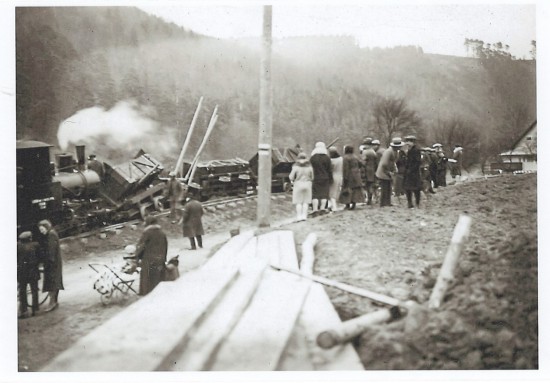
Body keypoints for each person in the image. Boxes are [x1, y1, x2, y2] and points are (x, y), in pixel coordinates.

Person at [135, 215, 168, 295]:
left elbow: (141, 246)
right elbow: (166, 246)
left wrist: (137, 256)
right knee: (157, 276)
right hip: (160, 258)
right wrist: (164, 257)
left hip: (148, 259)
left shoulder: (147, 233)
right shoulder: (162, 233)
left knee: (147, 277)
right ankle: (159, 293)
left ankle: (146, 293)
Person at [37, 219, 63, 312]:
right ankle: (54, 302)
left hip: (52, 264)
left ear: (46, 227)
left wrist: (47, 263)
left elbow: (51, 251)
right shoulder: (50, 233)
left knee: (52, 283)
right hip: (54, 263)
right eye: (40, 229)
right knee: (55, 282)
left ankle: (52, 304)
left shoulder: (51, 235)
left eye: (42, 229)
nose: (41, 231)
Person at [17, 231, 41, 318]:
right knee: (34, 290)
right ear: (30, 238)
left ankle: (24, 311)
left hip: (21, 272)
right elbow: (40, 257)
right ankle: (35, 309)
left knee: (22, 291)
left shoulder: (17, 246)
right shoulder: (35, 245)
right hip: (33, 271)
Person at [375, 137, 403, 207]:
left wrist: (394, 169)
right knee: (384, 188)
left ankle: (388, 202)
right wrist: (388, 172)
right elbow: (384, 163)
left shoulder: (395, 152)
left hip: (388, 171)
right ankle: (383, 203)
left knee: (388, 187)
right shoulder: (388, 152)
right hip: (383, 172)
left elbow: (393, 162)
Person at [309, 142, 333, 216]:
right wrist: (331, 179)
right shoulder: (327, 158)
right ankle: (322, 208)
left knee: (315, 194)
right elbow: (329, 169)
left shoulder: (312, 158)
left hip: (315, 178)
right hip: (325, 178)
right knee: (324, 194)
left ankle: (315, 209)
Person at [288, 152, 314, 221]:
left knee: (298, 202)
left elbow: (291, 177)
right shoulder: (309, 167)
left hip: (298, 184)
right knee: (306, 201)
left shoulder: (295, 166)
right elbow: (313, 177)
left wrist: (293, 180)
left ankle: (299, 216)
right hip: (307, 184)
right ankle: (304, 216)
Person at [340, 145, 364, 210]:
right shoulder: (355, 157)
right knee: (355, 190)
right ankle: (354, 204)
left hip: (350, 174)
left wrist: (345, 177)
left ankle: (347, 204)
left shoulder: (345, 158)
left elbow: (346, 168)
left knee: (347, 189)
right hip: (357, 174)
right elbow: (361, 164)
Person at [403, 135, 422, 208]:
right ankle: (409, 203)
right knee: (408, 188)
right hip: (408, 172)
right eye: (406, 141)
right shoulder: (409, 150)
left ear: (413, 142)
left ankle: (417, 203)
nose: (407, 143)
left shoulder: (416, 150)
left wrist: (411, 170)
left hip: (414, 173)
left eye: (409, 142)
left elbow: (417, 162)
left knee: (416, 189)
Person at [361, 138, 378, 205]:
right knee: (371, 185)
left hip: (366, 170)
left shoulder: (365, 152)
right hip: (372, 170)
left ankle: (368, 200)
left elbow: (363, 162)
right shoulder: (373, 152)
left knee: (366, 186)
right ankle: (370, 199)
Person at [328, 147, 343, 212]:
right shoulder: (341, 159)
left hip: (333, 176)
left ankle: (333, 206)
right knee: (337, 191)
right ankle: (332, 205)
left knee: (331, 193)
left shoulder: (331, 160)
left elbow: (329, 169)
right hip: (340, 175)